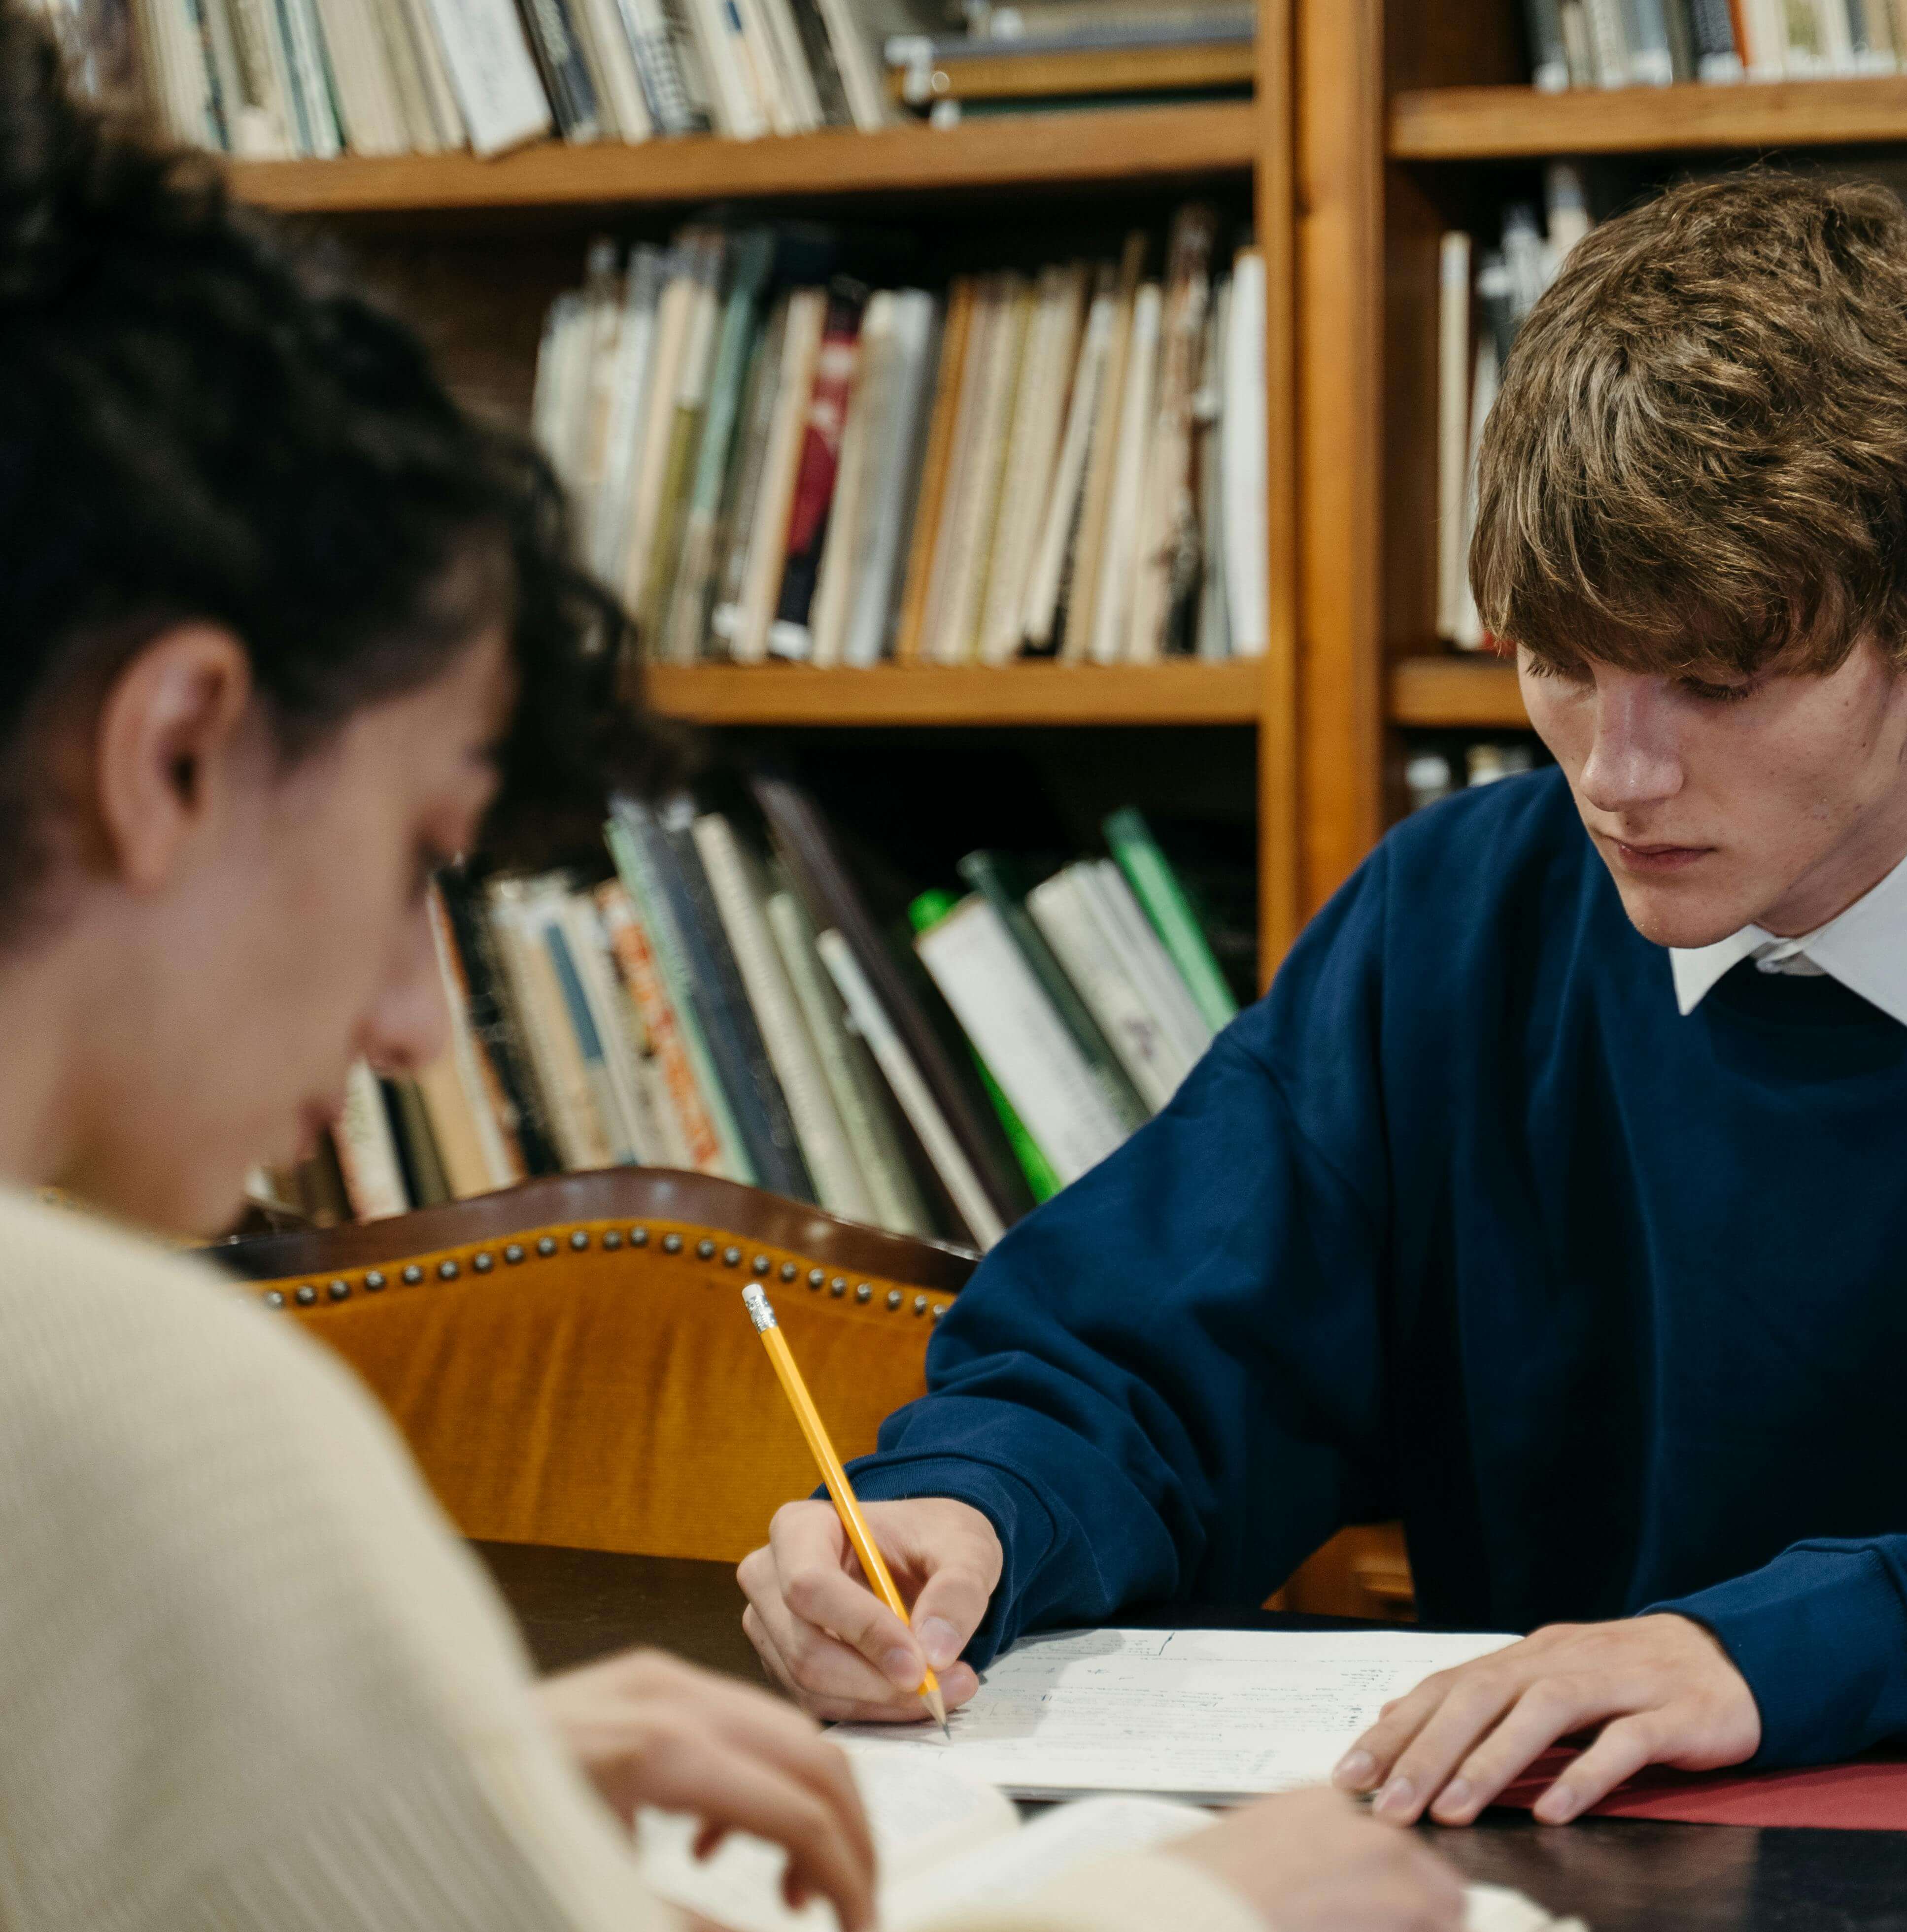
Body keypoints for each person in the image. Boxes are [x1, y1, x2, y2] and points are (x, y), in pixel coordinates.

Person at [741, 166, 1907, 1825]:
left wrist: (1788, 1649)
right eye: (1556, 663)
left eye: (1714, 678)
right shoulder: (1458, 915)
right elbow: (1144, 1350)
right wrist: (966, 1514)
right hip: (1554, 1874)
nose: (1614, 773)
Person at [0, 17, 1462, 1930]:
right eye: (412, 855)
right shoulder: (135, 1416)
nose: (418, 1021)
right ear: (176, 751)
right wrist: (1213, 1911)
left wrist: (378, 1815)